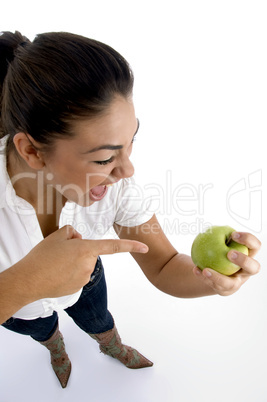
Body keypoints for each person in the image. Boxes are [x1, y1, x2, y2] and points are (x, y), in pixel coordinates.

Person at [0, 31, 261, 388]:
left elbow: (165, 264)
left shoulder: (115, 186)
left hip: (85, 283)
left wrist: (214, 281)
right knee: (41, 328)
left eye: (130, 142)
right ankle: (55, 347)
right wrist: (26, 283)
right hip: (20, 312)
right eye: (105, 157)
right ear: (31, 151)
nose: (127, 171)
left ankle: (111, 345)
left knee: (97, 318)